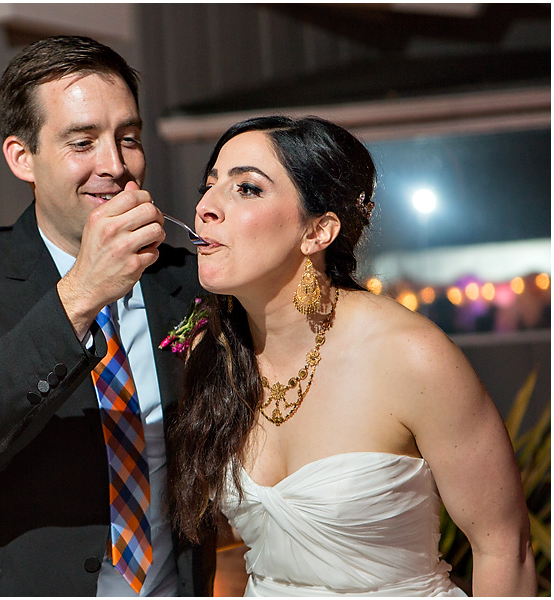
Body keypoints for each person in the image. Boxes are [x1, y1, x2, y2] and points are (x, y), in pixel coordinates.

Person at [168, 115, 537, 596]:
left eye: (247, 189)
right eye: (210, 184)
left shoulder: (410, 356)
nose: (205, 208)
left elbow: (504, 548)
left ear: (318, 231)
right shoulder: (213, 354)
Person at [0, 36, 214, 596]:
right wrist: (82, 293)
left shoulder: (188, 280)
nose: (115, 166)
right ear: (23, 157)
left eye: (128, 139)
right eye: (82, 142)